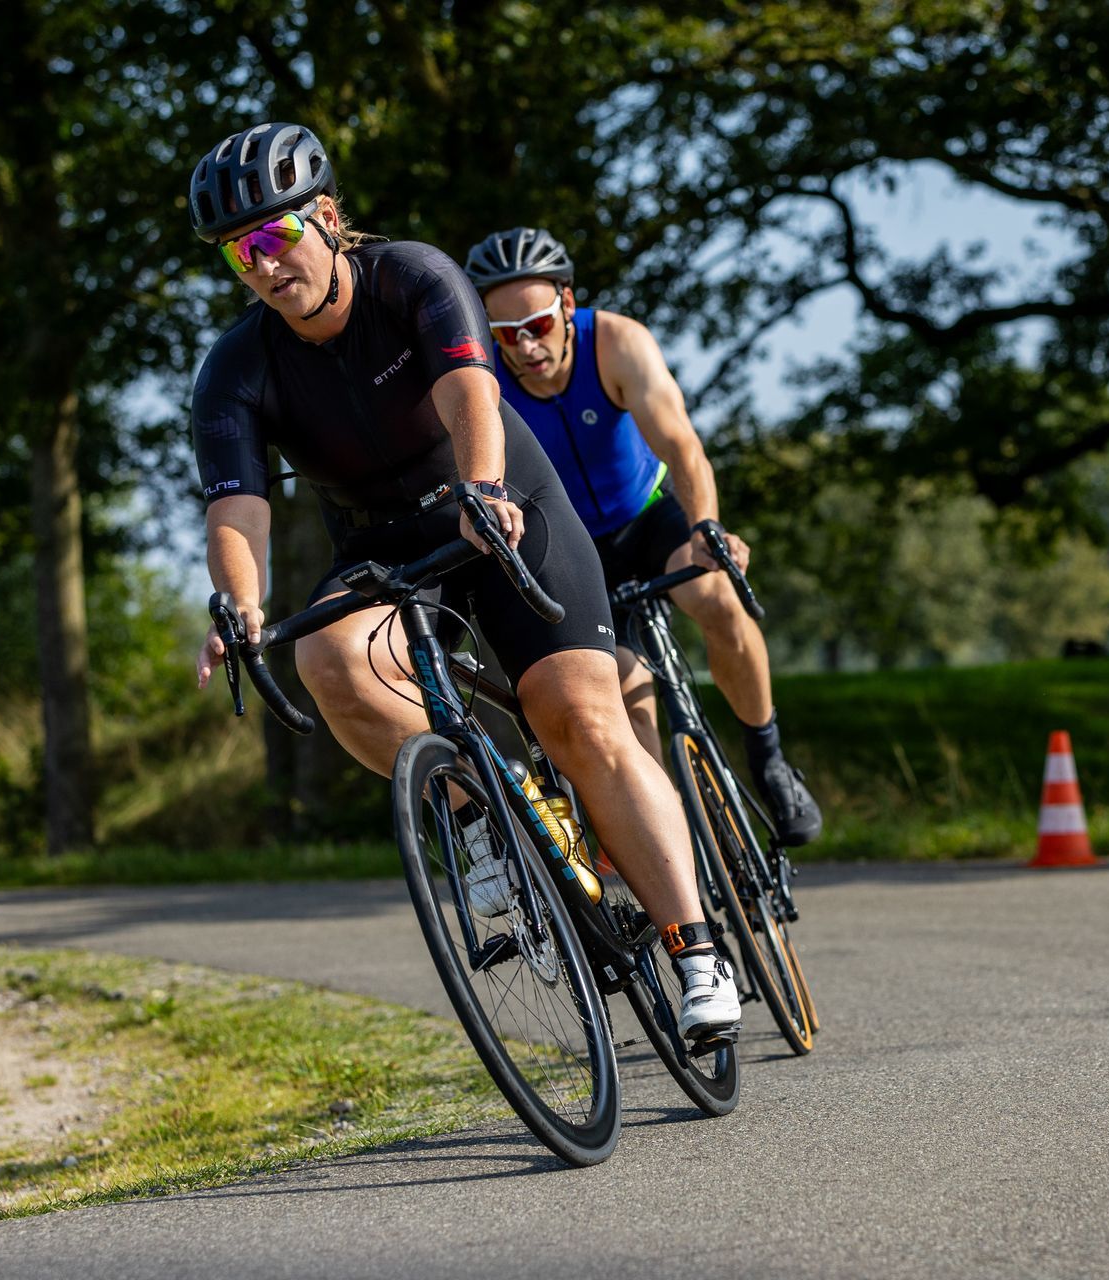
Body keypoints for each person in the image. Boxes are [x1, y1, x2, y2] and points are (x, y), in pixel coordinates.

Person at [184, 122, 737, 1043]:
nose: (265, 266)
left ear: (325, 218)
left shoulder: (415, 278)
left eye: (277, 237)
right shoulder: (235, 371)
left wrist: (482, 489)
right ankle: (480, 807)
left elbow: (469, 394)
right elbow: (236, 509)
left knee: (582, 717)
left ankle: (698, 950)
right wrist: (238, 604)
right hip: (377, 543)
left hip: (503, 496)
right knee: (328, 654)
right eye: (243, 253)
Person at [461, 227, 823, 846]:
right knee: (625, 694)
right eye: (504, 334)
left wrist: (706, 525)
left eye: (538, 326)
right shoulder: (486, 380)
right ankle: (673, 849)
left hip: (647, 515)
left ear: (567, 306)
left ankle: (769, 759)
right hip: (573, 544)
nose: (524, 348)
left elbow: (682, 445)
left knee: (717, 597)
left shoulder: (618, 343)